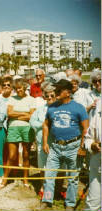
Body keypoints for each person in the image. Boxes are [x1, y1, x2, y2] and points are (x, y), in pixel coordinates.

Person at [40, 79, 89, 210]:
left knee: (72, 178)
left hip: (73, 147)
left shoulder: (78, 108)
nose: (56, 92)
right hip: (55, 147)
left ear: (68, 92)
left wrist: (82, 147)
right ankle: (47, 200)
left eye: (59, 90)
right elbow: (46, 124)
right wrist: (45, 142)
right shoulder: (52, 107)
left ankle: (70, 204)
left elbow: (86, 128)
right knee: (49, 175)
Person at [1, 78, 36, 188]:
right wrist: (24, 114)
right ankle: (5, 180)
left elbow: (32, 116)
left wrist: (18, 115)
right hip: (13, 128)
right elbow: (9, 113)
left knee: (26, 155)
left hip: (27, 129)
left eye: (20, 88)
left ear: (25, 87)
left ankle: (25, 179)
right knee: (11, 156)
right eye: (16, 89)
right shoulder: (11, 99)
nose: (18, 90)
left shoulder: (31, 99)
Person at [30, 83, 56, 197]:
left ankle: (56, 188)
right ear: (44, 96)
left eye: (52, 95)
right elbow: (32, 122)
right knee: (43, 166)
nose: (49, 98)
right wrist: (43, 124)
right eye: (47, 96)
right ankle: (43, 186)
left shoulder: (59, 108)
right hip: (42, 143)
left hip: (56, 143)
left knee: (57, 167)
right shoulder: (40, 110)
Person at [84, 100, 101, 211]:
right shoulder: (98, 109)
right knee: (92, 204)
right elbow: (89, 137)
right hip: (97, 165)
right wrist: (92, 145)